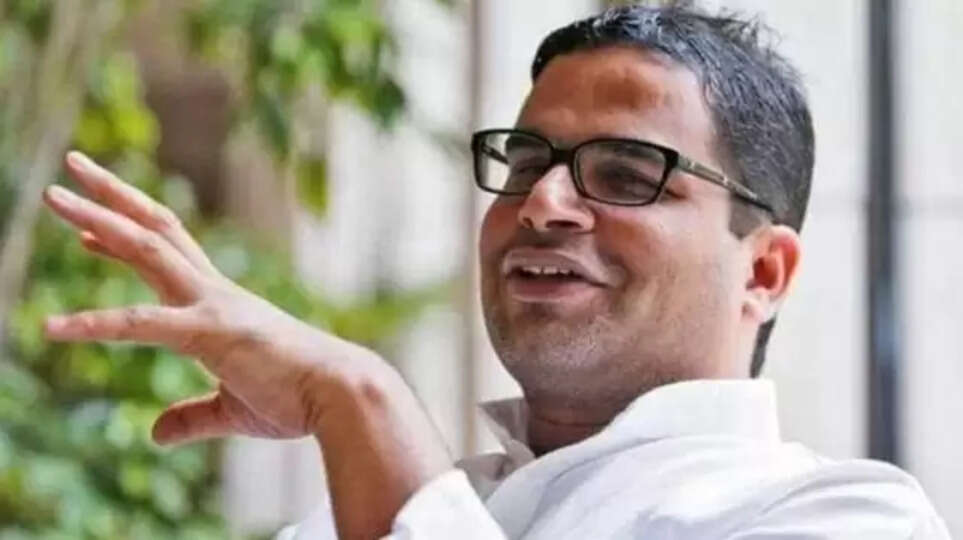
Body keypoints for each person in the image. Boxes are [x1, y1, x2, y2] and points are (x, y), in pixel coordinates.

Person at [42, 4, 950, 539]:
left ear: (763, 272)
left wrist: (360, 400)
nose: (544, 202)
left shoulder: (844, 518)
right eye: (523, 163)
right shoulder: (343, 521)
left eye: (625, 174)